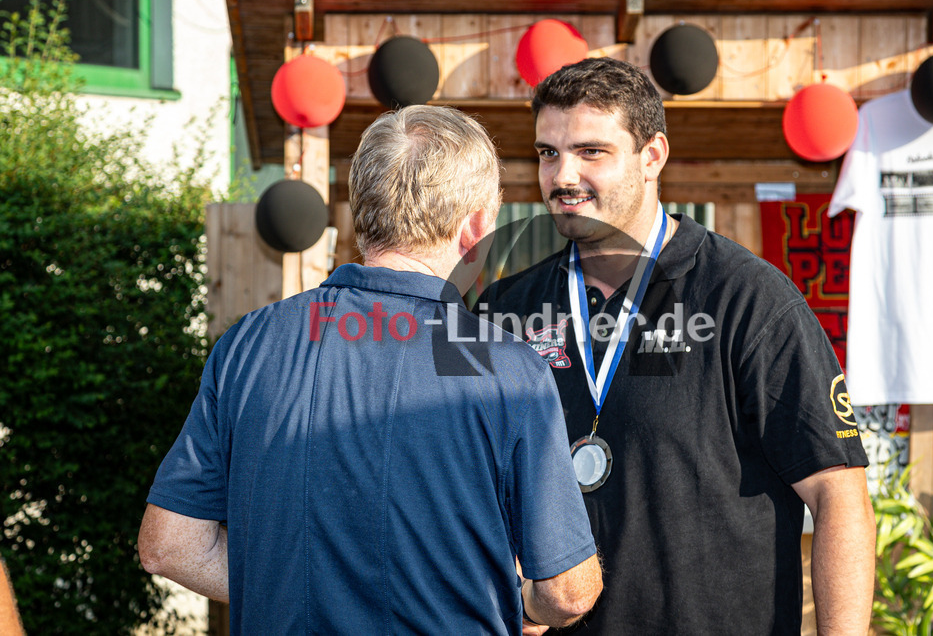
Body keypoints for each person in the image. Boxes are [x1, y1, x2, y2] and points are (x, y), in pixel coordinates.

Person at [138, 105, 602, 634]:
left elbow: (169, 546)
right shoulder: (510, 371)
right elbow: (568, 593)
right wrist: (507, 600)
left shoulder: (247, 344)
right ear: (476, 226)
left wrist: (288, 589)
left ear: (362, 208)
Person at [475, 58, 876, 635]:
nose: (562, 175)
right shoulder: (504, 310)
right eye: (547, 153)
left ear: (653, 156)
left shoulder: (749, 299)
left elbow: (838, 494)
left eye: (591, 152)